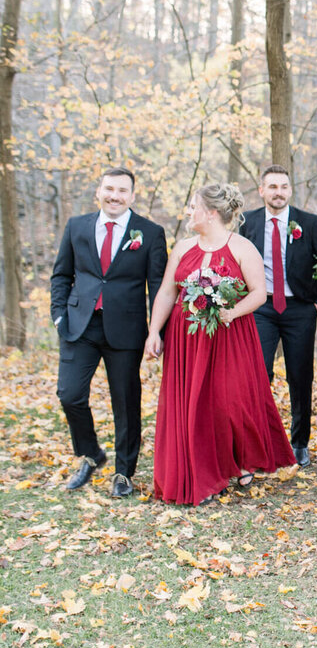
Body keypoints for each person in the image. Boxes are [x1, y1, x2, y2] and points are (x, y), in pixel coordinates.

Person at [146, 184, 295, 506]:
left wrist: (230, 312)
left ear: (211, 213)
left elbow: (258, 292)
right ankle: (203, 469)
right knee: (194, 403)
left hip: (230, 336)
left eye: (193, 205)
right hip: (186, 338)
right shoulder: (184, 248)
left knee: (230, 401)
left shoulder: (241, 247)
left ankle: (240, 459)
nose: (189, 211)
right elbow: (168, 292)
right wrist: (154, 331)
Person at [51, 166, 167, 498]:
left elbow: (157, 287)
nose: (114, 196)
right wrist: (59, 317)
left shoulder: (150, 232)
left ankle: (123, 472)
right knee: (69, 394)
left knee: (126, 402)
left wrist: (155, 331)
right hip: (79, 326)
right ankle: (91, 453)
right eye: (109, 189)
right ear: (99, 192)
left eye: (121, 191)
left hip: (126, 330)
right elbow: (61, 275)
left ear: (132, 196)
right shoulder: (77, 226)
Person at [239, 165, 317, 468]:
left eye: (284, 187)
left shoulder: (310, 222)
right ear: (262, 191)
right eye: (273, 187)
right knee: (258, 373)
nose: (279, 192)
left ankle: (300, 442)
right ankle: (261, 440)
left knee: (299, 375)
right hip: (260, 306)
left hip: (299, 308)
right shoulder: (247, 222)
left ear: (290, 190)